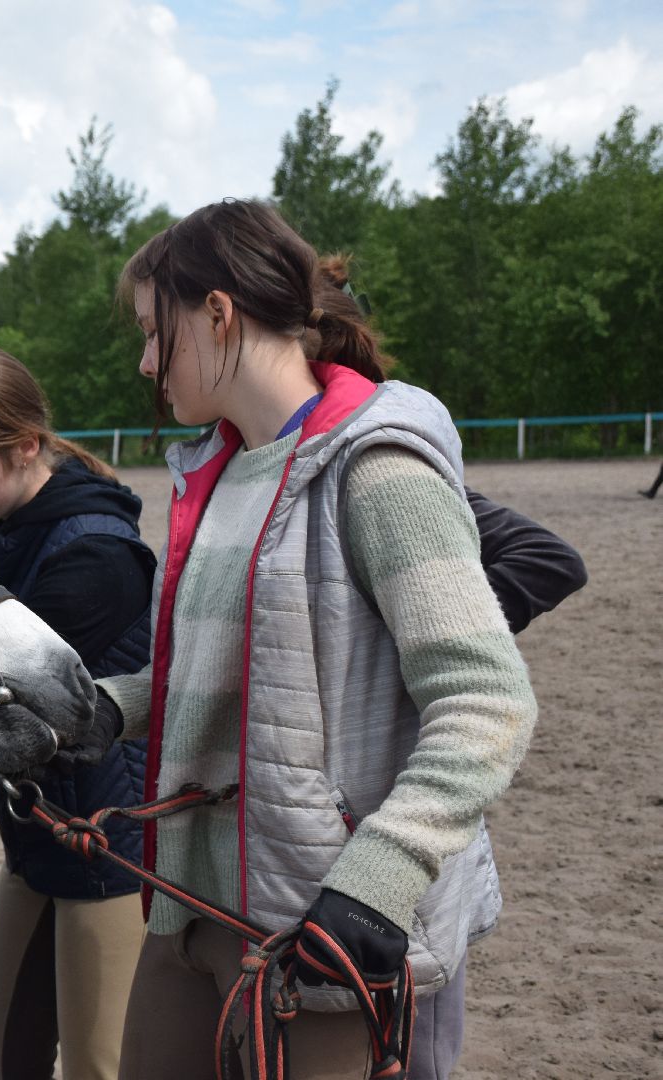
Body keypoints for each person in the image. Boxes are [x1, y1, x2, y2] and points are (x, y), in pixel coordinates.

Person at [96, 200, 540, 1078]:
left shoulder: (378, 470)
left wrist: (378, 878)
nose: (146, 362)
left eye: (154, 333)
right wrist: (97, 710)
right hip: (189, 911)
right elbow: (221, 677)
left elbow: (487, 700)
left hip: (320, 936)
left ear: (218, 313)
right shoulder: (218, 470)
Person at [310, 258, 588, 1079]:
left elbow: (551, 559)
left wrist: (421, 630)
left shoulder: (382, 464)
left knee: (417, 1050)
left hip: (409, 825)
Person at [0, 343, 156, 1080]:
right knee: (1, 1062)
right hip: (37, 842)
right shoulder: (2, 532)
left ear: (25, 447)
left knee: (99, 1068)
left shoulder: (96, 555)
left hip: (106, 853)